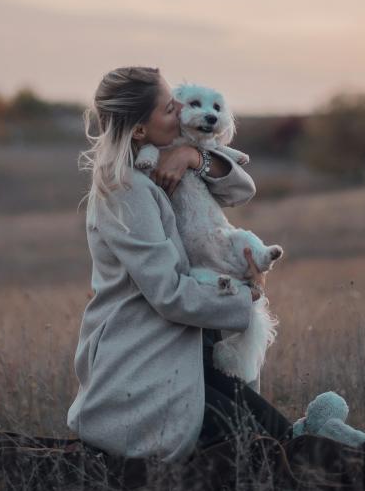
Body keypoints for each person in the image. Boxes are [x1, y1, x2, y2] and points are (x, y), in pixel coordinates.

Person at [66, 66, 292, 464]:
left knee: (281, 437)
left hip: (187, 352)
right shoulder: (126, 191)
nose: (182, 113)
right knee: (267, 450)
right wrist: (246, 294)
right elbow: (168, 293)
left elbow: (241, 188)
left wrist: (192, 155)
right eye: (171, 109)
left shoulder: (165, 166)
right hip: (145, 365)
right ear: (139, 131)